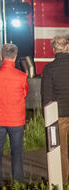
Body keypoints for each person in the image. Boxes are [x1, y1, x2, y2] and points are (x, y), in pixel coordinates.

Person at [0, 43, 27, 183]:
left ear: (1, 56)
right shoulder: (22, 76)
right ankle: (18, 182)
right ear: (15, 57)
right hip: (16, 120)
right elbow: (24, 93)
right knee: (16, 153)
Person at [43, 35, 69, 187]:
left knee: (62, 152)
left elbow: (46, 96)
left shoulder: (49, 69)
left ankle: (63, 182)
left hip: (59, 116)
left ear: (54, 50)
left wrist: (46, 117)